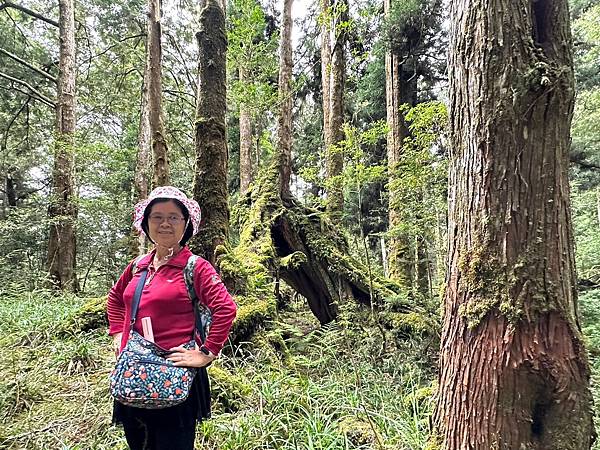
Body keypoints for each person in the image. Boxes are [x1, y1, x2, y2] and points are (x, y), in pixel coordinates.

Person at [107, 186, 237, 450]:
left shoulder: (195, 267)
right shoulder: (137, 266)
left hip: (174, 375)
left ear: (186, 223)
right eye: (157, 216)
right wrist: (118, 335)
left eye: (174, 217)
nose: (164, 223)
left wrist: (207, 352)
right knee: (139, 442)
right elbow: (115, 299)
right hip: (135, 372)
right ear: (146, 223)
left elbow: (226, 308)